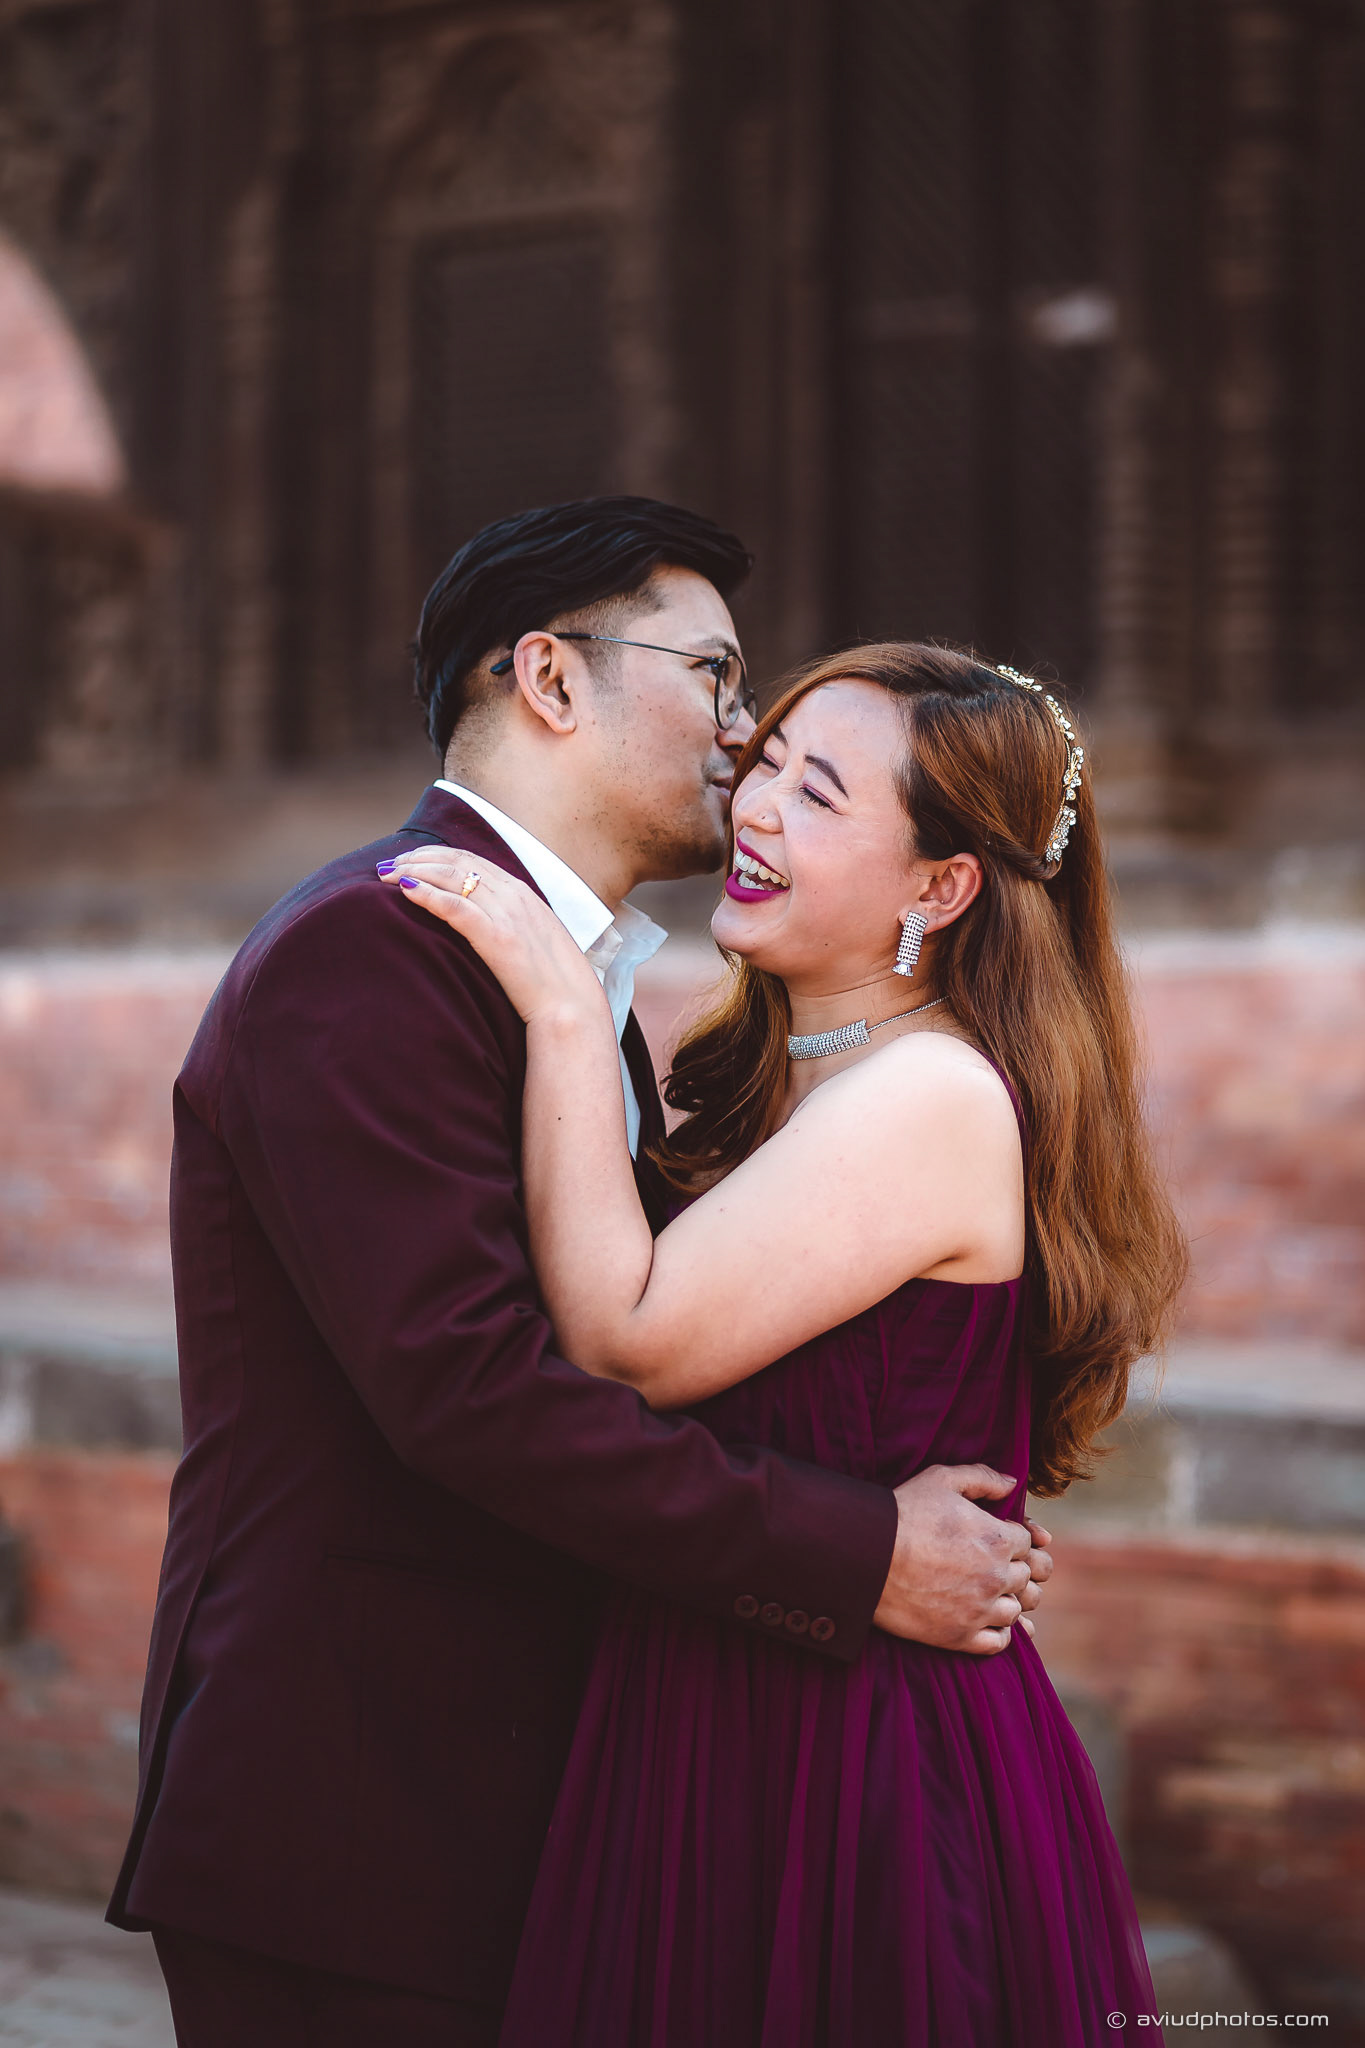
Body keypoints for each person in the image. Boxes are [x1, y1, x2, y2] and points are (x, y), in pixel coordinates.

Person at [107, 500, 1053, 2048]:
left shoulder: (569, 980)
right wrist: (860, 1550)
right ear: (550, 678)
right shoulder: (377, 947)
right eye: (715, 676)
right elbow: (476, 1393)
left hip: (517, 1808)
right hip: (363, 1814)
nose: (743, 737)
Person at [382, 639, 1188, 2047]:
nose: (752, 805)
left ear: (939, 889)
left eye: (817, 794)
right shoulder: (794, 1079)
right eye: (765, 764)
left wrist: (564, 1009)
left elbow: (627, 1344)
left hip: (853, 1750)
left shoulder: (930, 1095)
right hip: (729, 1688)